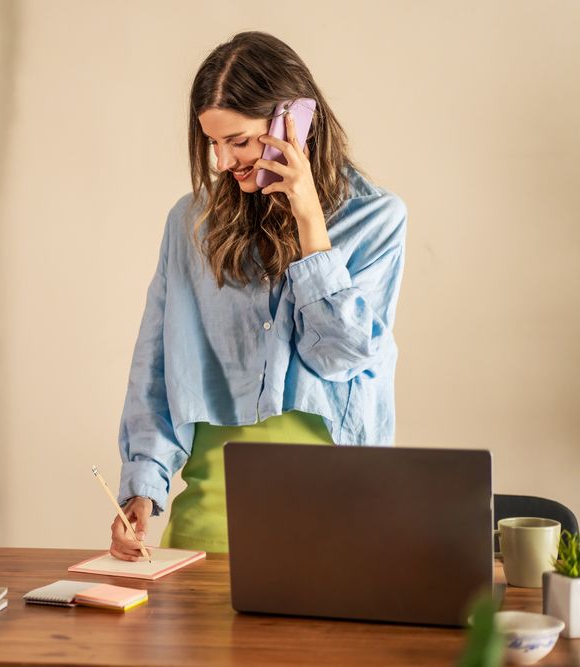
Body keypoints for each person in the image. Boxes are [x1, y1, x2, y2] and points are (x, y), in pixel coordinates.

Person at [110, 31, 407, 559]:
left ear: (295, 120)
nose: (223, 161)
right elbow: (155, 367)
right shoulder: (190, 224)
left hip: (338, 525)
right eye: (213, 144)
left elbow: (343, 357)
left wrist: (309, 222)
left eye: (239, 141)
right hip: (208, 529)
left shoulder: (377, 219)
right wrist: (142, 487)